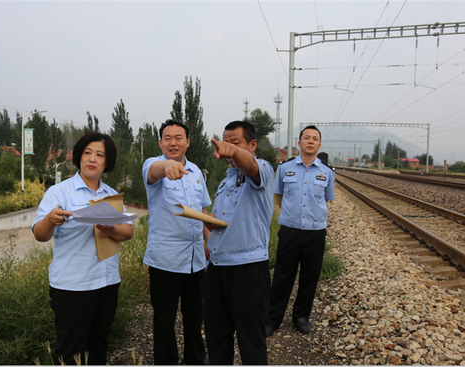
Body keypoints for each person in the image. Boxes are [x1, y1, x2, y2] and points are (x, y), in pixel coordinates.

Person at [32, 132, 134, 365]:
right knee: (71, 351)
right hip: (73, 285)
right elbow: (40, 235)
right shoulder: (59, 192)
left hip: (107, 283)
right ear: (78, 156)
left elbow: (127, 231)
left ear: (107, 162)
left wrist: (111, 230)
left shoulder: (111, 195)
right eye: (87, 153)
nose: (92, 159)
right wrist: (51, 219)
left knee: (99, 344)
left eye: (99, 155)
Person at [203, 120, 275, 365]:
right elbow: (225, 223)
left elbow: (251, 165)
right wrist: (210, 222)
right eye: (225, 143)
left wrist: (232, 150)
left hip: (248, 271)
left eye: (235, 143)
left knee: (251, 343)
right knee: (217, 340)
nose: (227, 150)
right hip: (217, 269)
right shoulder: (225, 182)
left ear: (252, 145)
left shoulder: (261, 169)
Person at [142, 119, 211, 365]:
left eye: (178, 138)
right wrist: (168, 165)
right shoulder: (153, 165)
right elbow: (154, 173)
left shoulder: (196, 174)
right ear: (160, 142)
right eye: (167, 138)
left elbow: (202, 211)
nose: (173, 142)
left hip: (195, 260)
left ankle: (196, 358)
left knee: (195, 316)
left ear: (187, 142)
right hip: (165, 261)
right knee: (164, 319)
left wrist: (209, 244)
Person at [265, 125, 335, 337]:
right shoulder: (285, 168)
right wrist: (291, 214)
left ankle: (301, 317)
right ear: (299, 142)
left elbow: (326, 200)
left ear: (319, 144)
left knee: (309, 277)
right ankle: (272, 319)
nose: (310, 141)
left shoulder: (327, 172)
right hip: (290, 231)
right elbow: (279, 196)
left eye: (315, 138)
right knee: (282, 276)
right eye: (307, 138)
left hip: (315, 233)